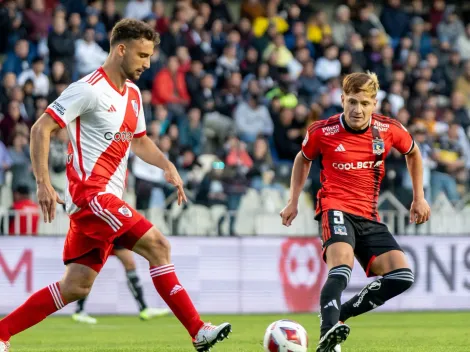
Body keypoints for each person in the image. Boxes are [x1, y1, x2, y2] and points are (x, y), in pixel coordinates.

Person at [0, 19, 231, 352]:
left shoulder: (134, 94)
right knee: (158, 246)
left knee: (76, 286)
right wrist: (43, 184)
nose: (147, 64)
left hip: (103, 200)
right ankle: (198, 330)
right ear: (120, 49)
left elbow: (138, 142)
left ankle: (2, 332)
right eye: (141, 55)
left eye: (150, 56)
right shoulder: (88, 88)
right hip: (91, 195)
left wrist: (167, 165)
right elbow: (40, 128)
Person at [280, 72, 430, 352]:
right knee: (341, 268)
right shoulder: (322, 132)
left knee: (402, 276)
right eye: (351, 101)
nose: (357, 109)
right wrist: (292, 201)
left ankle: (338, 314)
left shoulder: (388, 129)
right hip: (334, 207)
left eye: (364, 103)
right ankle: (328, 336)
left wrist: (418, 197)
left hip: (369, 215)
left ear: (374, 104)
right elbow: (303, 159)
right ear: (341, 100)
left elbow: (413, 152)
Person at [72, 245, 170, 324]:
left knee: (130, 265)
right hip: (101, 233)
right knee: (90, 270)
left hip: (116, 234)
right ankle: (79, 310)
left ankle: (144, 309)